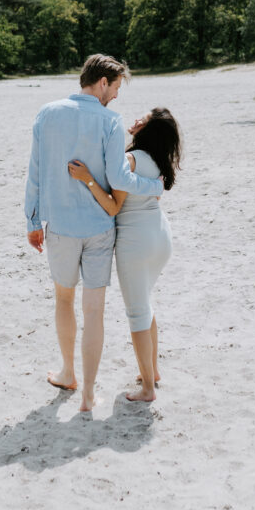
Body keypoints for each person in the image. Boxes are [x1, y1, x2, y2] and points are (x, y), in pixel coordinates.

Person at [24, 54, 164, 413]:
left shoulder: (47, 113)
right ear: (103, 82)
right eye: (116, 88)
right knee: (95, 312)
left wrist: (32, 221)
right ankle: (87, 395)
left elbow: (35, 171)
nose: (116, 96)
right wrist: (153, 185)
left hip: (61, 228)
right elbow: (118, 180)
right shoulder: (110, 122)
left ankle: (68, 372)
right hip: (100, 228)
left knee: (64, 300)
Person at [68, 107, 181, 403]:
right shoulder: (157, 160)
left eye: (141, 119)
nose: (135, 121)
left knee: (137, 313)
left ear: (149, 129)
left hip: (137, 241)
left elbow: (113, 206)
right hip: (160, 236)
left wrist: (87, 179)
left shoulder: (130, 160)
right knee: (146, 305)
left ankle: (147, 389)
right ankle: (152, 372)